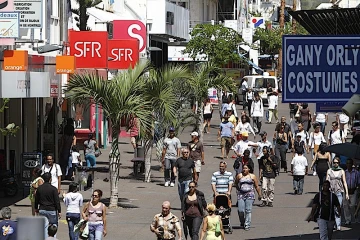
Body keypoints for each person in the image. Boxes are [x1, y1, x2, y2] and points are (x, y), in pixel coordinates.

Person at [234, 164, 262, 230]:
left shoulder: (252, 176)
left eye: (246, 168)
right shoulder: (239, 176)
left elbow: (257, 186)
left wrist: (259, 194)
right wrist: (239, 189)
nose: (244, 169)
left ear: (249, 169)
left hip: (250, 194)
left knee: (248, 210)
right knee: (240, 210)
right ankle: (242, 222)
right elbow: (236, 183)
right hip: (241, 194)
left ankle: (247, 224)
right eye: (243, 168)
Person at [34, 172, 61, 238]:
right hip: (52, 210)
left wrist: (36, 208)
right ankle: (53, 238)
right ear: (50, 179)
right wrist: (59, 211)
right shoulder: (53, 189)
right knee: (54, 225)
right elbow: (57, 201)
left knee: (44, 226)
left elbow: (36, 200)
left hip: (42, 209)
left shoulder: (39, 188)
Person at [326, 158, 349, 230]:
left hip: (339, 192)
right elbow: (327, 181)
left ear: (339, 163)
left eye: (337, 163)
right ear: (332, 162)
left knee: (338, 208)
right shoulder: (329, 170)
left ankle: (338, 225)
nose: (336, 164)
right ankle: (333, 224)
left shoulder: (342, 171)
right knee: (332, 208)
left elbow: (344, 182)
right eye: (334, 162)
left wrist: (346, 193)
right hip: (331, 192)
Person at [343, 158, 360, 225]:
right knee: (345, 205)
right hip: (346, 191)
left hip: (353, 190)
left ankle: (355, 217)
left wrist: (358, 189)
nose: (348, 165)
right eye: (347, 163)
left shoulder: (356, 172)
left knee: (353, 205)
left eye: (350, 163)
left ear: (352, 164)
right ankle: (348, 219)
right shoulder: (344, 172)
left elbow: (358, 182)